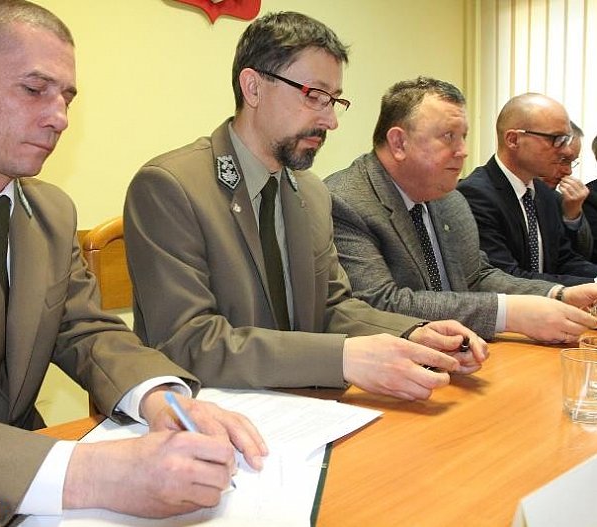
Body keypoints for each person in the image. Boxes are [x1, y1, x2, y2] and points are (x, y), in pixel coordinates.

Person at [0, 1, 268, 525]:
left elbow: (87, 331)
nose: (59, 117)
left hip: (34, 494)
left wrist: (164, 399)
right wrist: (90, 473)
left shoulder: (50, 213)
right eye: (34, 89)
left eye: (66, 97)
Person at [123, 12, 488, 404]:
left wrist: (412, 333)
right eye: (314, 96)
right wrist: (341, 358)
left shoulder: (311, 193)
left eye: (334, 101)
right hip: (212, 414)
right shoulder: (170, 186)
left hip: (304, 408)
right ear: (253, 88)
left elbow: (332, 307)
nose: (330, 121)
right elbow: (186, 341)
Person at [324, 77, 597, 342]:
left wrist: (558, 294)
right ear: (399, 143)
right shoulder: (345, 200)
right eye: (448, 136)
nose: (463, 151)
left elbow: (477, 276)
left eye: (463, 137)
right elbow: (378, 303)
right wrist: (507, 314)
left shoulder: (449, 199)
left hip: (461, 353)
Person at [457, 93, 597, 286]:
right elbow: (507, 277)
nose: (565, 150)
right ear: (513, 140)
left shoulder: (544, 193)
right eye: (556, 139)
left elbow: (564, 260)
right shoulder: (474, 195)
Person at [539, 122, 592, 259]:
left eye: (572, 162)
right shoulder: (494, 193)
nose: (568, 171)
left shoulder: (558, 199)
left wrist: (572, 216)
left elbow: (582, 256)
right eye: (562, 160)